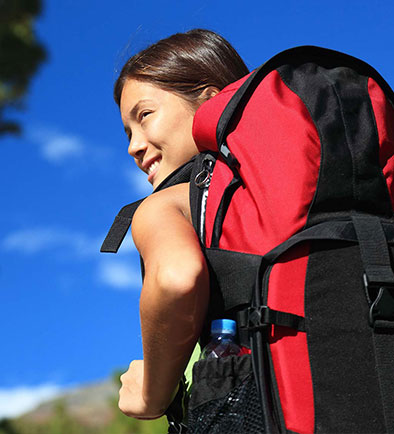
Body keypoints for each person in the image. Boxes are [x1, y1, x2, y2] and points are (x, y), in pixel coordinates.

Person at [114, 29, 249, 421]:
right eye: (128, 131)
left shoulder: (168, 205)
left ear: (210, 101)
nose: (133, 147)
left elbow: (176, 278)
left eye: (145, 115)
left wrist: (151, 395)